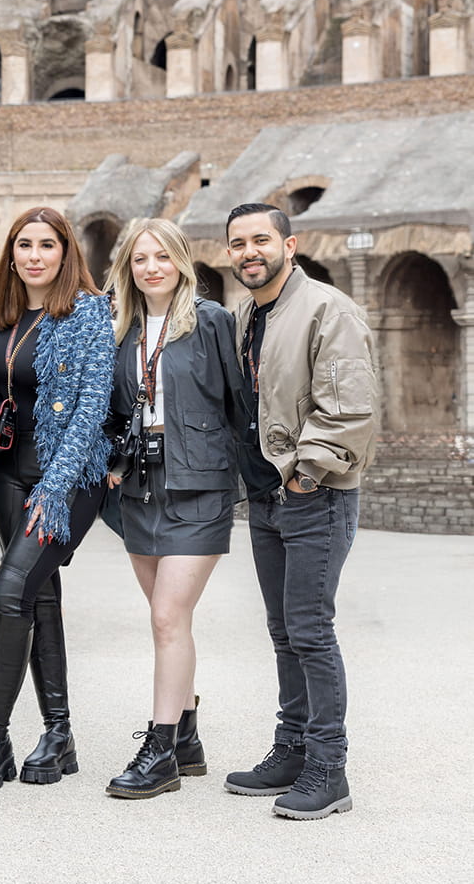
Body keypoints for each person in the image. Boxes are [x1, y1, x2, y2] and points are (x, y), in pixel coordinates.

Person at [222, 204, 377, 820]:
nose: (249, 252)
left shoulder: (328, 309)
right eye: (238, 243)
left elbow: (350, 406)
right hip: (266, 498)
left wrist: (308, 474)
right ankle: (291, 750)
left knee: (310, 630)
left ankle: (328, 768)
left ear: (290, 245)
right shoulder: (246, 317)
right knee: (284, 631)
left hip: (316, 494)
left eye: (261, 239)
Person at [0, 206, 113, 794]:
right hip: (7, 474)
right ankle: (59, 733)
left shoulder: (88, 313)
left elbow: (92, 406)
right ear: (12, 254)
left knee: (10, 589)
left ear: (65, 252)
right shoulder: (0, 317)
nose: (35, 255)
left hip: (65, 478)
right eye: (25, 244)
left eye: (47, 244)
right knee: (39, 595)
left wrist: (56, 486)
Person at [102, 219, 248, 799]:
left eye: (162, 256)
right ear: (128, 268)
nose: (152, 267)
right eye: (140, 259)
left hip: (200, 483)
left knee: (167, 616)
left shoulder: (210, 321)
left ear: (181, 262)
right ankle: (186, 739)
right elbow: (114, 408)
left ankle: (160, 751)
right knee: (170, 620)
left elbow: (241, 403)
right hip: (140, 485)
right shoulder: (120, 325)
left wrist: (253, 479)